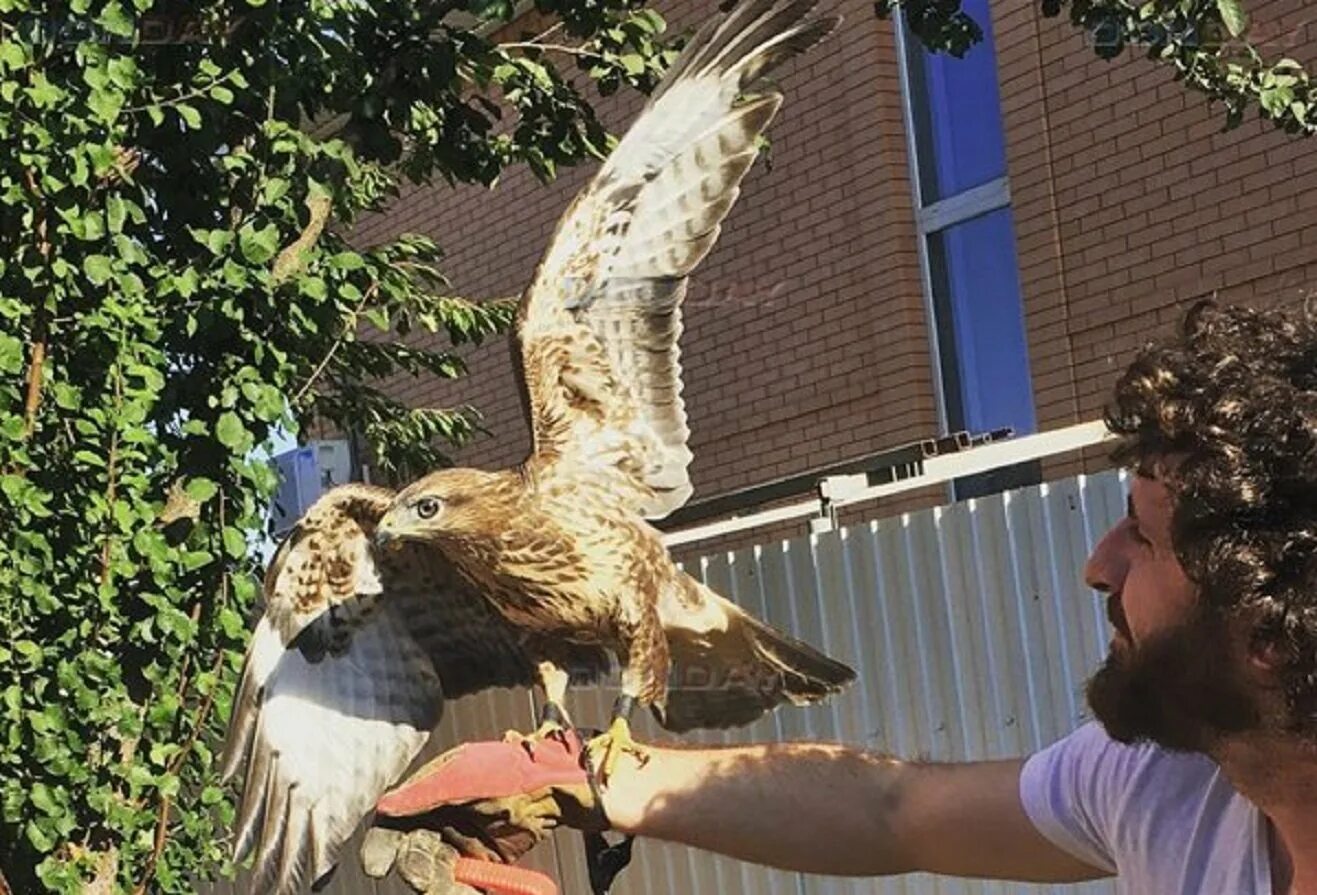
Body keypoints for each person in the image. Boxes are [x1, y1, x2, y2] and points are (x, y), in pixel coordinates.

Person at [366, 301, 1317, 895]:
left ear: (1265, 630)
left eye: (1142, 538)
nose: (1095, 564)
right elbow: (892, 809)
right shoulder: (1168, 785)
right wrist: (608, 781)